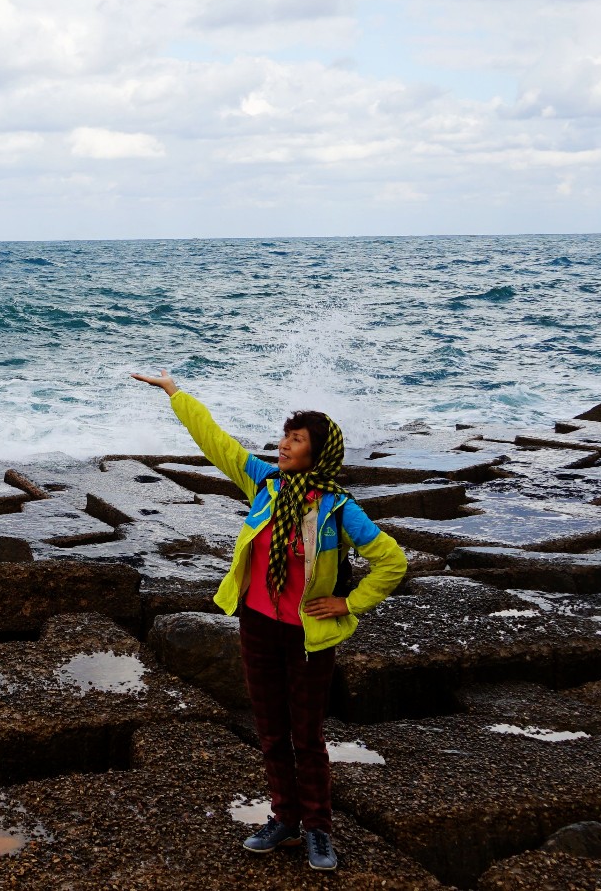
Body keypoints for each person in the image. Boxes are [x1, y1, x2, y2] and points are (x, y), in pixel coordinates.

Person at [130, 370, 407, 872]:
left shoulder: (338, 509)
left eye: (296, 439)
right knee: (271, 732)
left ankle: (318, 830)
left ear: (316, 452)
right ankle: (284, 821)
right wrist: (175, 393)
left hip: (308, 636)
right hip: (257, 625)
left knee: (307, 735)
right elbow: (216, 441)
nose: (283, 445)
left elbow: (392, 561)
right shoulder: (264, 483)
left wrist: (349, 604)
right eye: (285, 436)